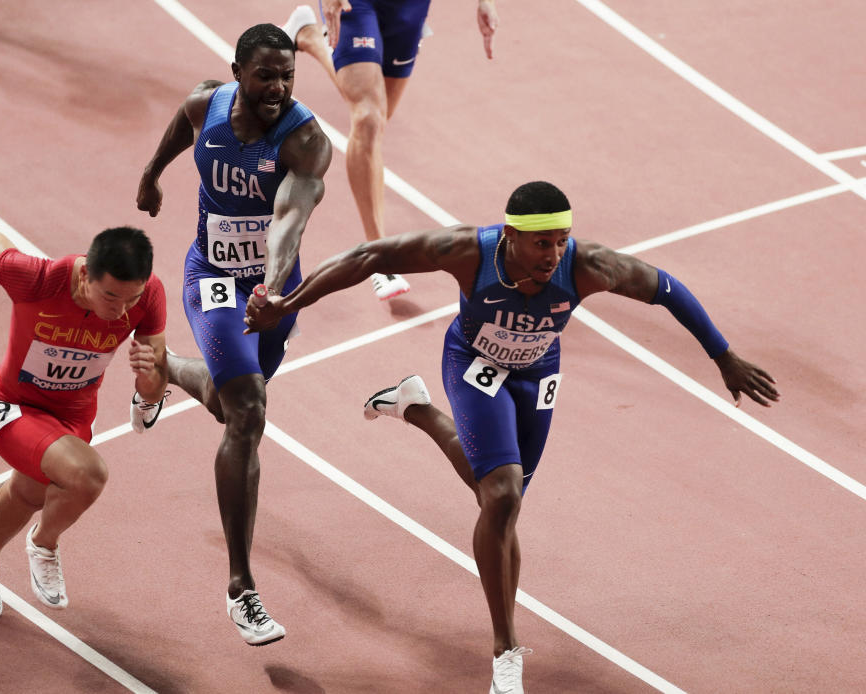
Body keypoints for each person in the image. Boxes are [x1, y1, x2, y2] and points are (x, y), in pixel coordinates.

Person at [243, 181, 780, 692]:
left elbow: (666, 288)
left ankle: (416, 408)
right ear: (510, 236)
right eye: (541, 242)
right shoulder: (467, 252)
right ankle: (505, 652)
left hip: (537, 375)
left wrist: (723, 355)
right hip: (473, 364)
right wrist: (287, 306)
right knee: (502, 496)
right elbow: (368, 257)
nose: (553, 254)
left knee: (500, 495)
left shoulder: (589, 267)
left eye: (561, 241)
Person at [133, 23, 332, 646]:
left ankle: (164, 367)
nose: (277, 88)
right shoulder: (206, 103)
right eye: (266, 75)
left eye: (288, 77)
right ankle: (241, 587)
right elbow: (180, 126)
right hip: (213, 277)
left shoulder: (304, 140)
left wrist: (272, 290)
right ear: (238, 71)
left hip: (271, 290)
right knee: (247, 412)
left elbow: (289, 221)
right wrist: (152, 173)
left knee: (227, 404)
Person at [0, 222, 168, 618]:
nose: (121, 311)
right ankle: (44, 544)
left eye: (131, 299)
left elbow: (151, 391)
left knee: (29, 496)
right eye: (111, 296)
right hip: (11, 407)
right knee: (88, 475)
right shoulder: (38, 279)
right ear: (85, 274)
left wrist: (150, 375)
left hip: (72, 420)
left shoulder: (148, 296)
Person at [280, 0, 500, 301]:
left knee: (376, 116)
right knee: (368, 119)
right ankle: (378, 257)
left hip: (409, 7)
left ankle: (307, 35)